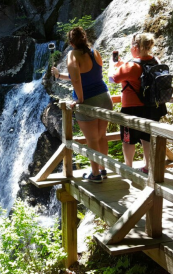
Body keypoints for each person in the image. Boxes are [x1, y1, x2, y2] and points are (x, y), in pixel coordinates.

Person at [51, 27, 113, 183]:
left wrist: (79, 99)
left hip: (89, 100)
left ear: (71, 43)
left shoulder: (72, 55)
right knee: (101, 137)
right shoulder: (94, 52)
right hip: (104, 97)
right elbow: (88, 76)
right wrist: (59, 76)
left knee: (91, 139)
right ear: (85, 39)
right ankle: (103, 170)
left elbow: (77, 80)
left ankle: (95, 174)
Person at [108, 33, 167, 174]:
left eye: (131, 45)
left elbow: (112, 78)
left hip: (131, 108)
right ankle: (148, 167)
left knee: (128, 140)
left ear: (136, 47)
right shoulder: (155, 61)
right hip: (151, 106)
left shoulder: (131, 65)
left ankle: (128, 168)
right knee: (146, 138)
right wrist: (122, 66)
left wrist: (113, 65)